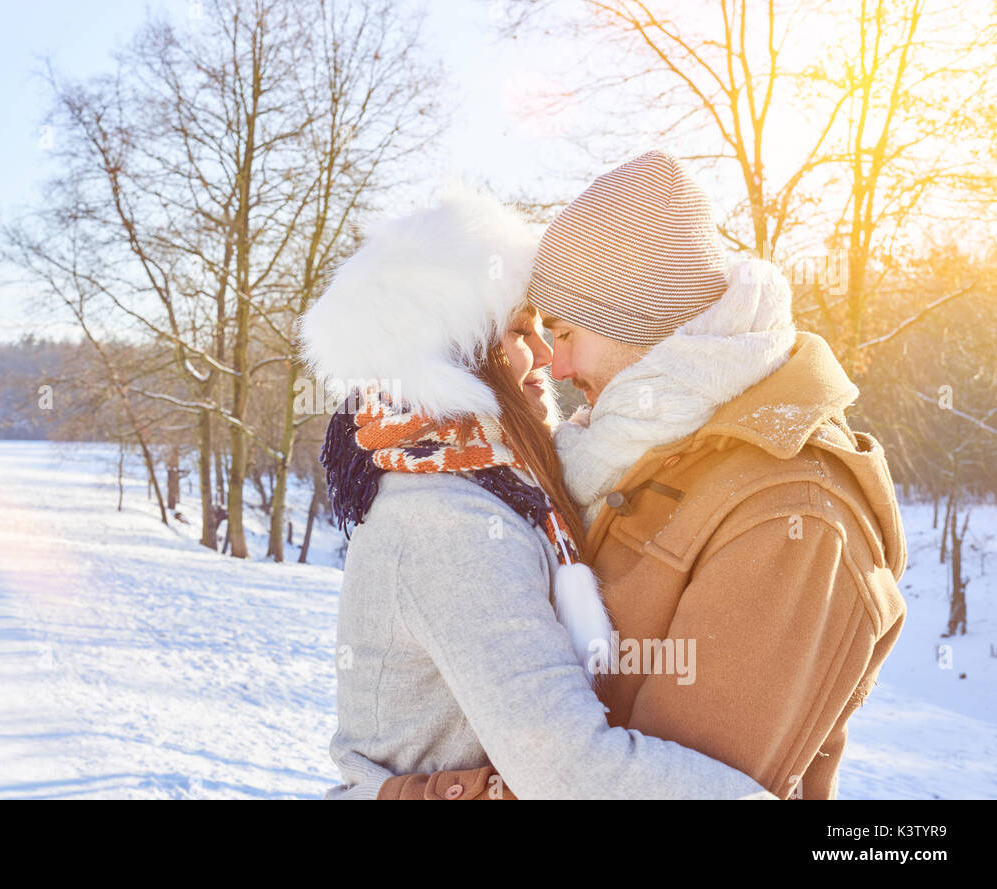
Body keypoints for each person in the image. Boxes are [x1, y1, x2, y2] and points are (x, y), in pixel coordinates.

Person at [370, 151, 908, 800]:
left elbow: (644, 784)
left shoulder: (793, 516)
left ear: (638, 320)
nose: (555, 365)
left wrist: (397, 793)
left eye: (566, 331)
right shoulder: (627, 453)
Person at [299, 185, 773, 799]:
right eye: (523, 331)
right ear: (453, 354)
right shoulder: (446, 516)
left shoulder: (485, 485)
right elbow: (571, 771)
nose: (547, 354)